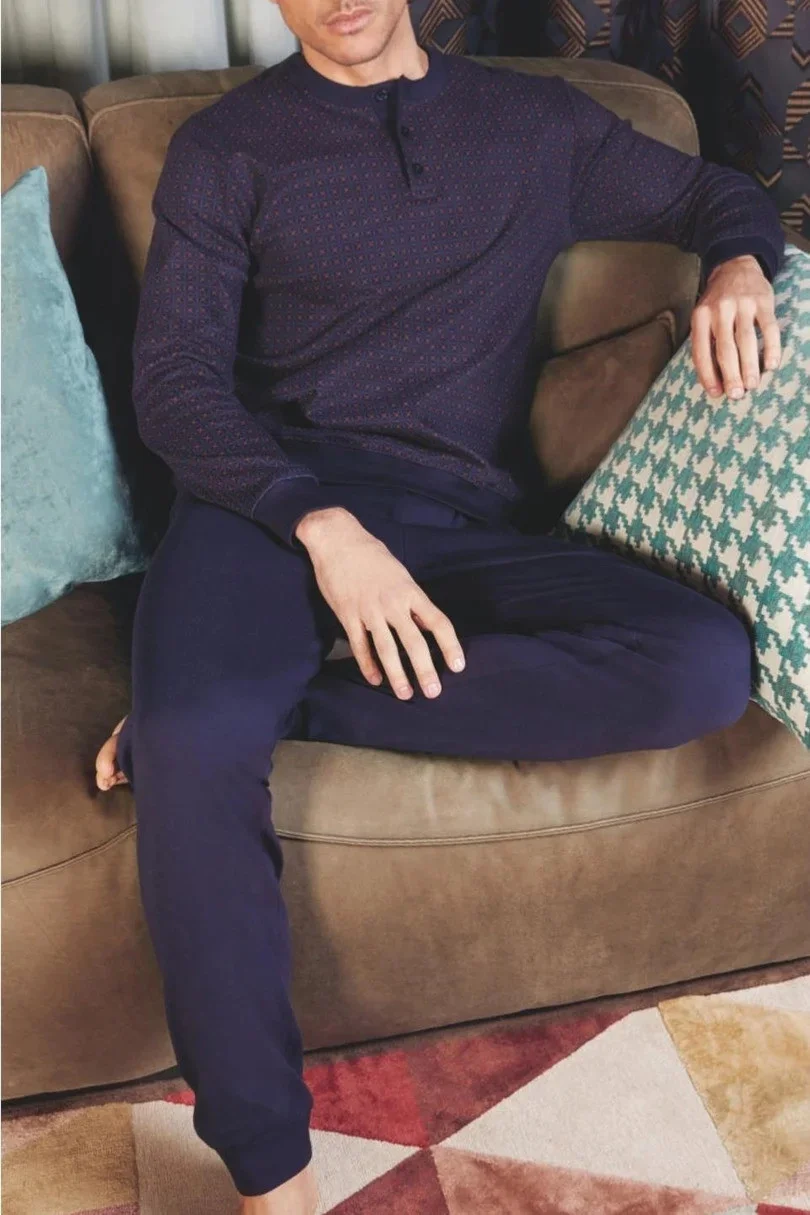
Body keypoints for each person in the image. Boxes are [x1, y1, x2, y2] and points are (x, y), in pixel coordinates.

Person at [94, 0, 784, 1207]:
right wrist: (319, 523)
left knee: (703, 665)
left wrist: (736, 268)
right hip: (261, 515)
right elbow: (177, 384)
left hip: (456, 522)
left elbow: (714, 196)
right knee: (202, 737)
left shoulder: (536, 124)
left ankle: (280, 701)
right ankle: (271, 1173)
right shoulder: (229, 148)